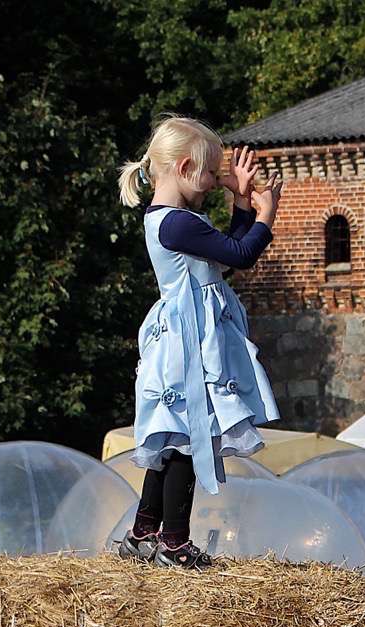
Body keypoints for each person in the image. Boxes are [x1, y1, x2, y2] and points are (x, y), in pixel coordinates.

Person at [114, 116, 283, 569]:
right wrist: (265, 214)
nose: (213, 181)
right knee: (192, 436)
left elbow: (223, 255)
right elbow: (240, 254)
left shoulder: (175, 221)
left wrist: (238, 202)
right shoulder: (178, 225)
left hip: (188, 334)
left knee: (174, 439)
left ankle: (144, 530)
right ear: (186, 167)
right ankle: (173, 541)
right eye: (211, 173)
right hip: (190, 342)